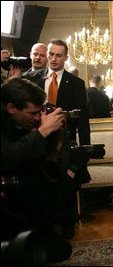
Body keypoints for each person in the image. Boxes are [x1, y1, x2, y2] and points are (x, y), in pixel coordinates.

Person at [0, 77, 84, 263]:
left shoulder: (21, 121)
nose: (38, 118)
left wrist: (47, 134)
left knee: (60, 250)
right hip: (10, 200)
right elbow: (6, 158)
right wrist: (42, 132)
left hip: (26, 199)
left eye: (40, 112)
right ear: (11, 108)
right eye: (32, 113)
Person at [25, 39, 91, 146]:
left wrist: (85, 149)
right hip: (37, 139)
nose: (54, 59)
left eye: (59, 56)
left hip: (64, 141)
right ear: (47, 54)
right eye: (51, 54)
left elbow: (82, 119)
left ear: (66, 58)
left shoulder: (77, 84)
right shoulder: (32, 78)